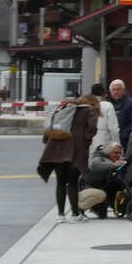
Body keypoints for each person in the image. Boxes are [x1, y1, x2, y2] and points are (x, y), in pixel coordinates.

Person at [36, 94, 99, 223]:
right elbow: (92, 129)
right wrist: (85, 141)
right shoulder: (89, 110)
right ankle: (75, 215)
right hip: (75, 151)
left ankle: (60, 215)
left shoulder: (62, 108)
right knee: (72, 182)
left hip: (56, 150)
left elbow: (48, 129)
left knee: (60, 182)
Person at [80, 141, 126, 218]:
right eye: (115, 153)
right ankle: (77, 207)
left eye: (119, 153)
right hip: (86, 187)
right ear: (108, 152)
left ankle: (97, 207)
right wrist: (113, 165)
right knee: (101, 195)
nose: (117, 155)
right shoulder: (98, 157)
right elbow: (94, 165)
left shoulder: (115, 160)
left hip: (102, 188)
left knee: (103, 214)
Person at [109, 79, 132, 151]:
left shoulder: (130, 102)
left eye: (118, 89)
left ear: (123, 90)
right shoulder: (109, 104)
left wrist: (123, 135)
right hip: (112, 141)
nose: (115, 92)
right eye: (113, 90)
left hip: (126, 142)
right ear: (110, 92)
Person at [89, 82, 119, 151]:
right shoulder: (107, 105)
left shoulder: (86, 105)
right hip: (104, 141)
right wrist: (117, 144)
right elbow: (113, 128)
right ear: (103, 94)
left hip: (88, 143)